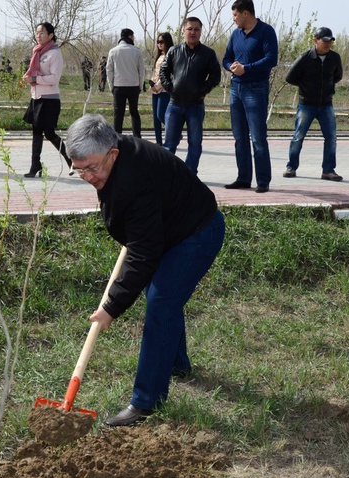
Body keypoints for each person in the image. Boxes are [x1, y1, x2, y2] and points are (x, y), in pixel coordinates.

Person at [64, 114, 225, 427]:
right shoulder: (108, 159)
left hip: (197, 232)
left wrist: (111, 307)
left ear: (113, 154)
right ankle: (175, 364)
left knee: (162, 301)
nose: (87, 176)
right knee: (163, 296)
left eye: (92, 168)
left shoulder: (134, 179)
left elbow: (144, 252)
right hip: (169, 228)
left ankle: (146, 401)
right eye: (78, 169)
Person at [221, 0, 278, 193]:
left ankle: (263, 181)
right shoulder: (236, 34)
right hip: (236, 89)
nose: (234, 19)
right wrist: (232, 67)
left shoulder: (266, 31)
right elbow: (226, 58)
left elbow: (272, 58)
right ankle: (243, 178)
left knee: (258, 138)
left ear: (246, 13)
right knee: (239, 137)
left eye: (235, 15)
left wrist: (247, 69)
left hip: (256, 88)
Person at [159, 16, 221, 173]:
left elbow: (215, 76)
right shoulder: (174, 51)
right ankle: (166, 174)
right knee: (169, 144)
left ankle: (189, 173)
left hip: (195, 105)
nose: (193, 32)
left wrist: (203, 90)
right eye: (190, 29)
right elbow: (163, 70)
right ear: (183, 31)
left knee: (195, 142)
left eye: (196, 29)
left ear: (200, 32)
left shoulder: (208, 54)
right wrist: (169, 87)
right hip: (174, 104)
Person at [283, 26, 344, 181]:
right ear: (315, 40)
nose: (327, 43)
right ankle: (291, 167)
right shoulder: (305, 57)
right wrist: (306, 87)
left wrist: (328, 88)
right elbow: (290, 77)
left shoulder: (334, 58)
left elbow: (337, 76)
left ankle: (328, 171)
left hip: (326, 105)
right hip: (307, 104)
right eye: (324, 40)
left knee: (331, 138)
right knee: (298, 136)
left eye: (330, 40)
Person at [21, 21, 73, 178]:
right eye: (37, 33)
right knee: (36, 132)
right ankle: (35, 165)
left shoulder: (54, 53)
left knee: (49, 133)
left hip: (49, 99)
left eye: (42, 33)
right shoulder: (37, 51)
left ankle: (70, 160)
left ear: (50, 35)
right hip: (36, 97)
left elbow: (54, 78)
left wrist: (35, 78)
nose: (38, 36)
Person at [106, 28, 145, 137]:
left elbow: (109, 70)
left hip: (118, 86)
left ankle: (117, 138)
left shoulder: (113, 51)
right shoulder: (137, 51)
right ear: (130, 36)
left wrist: (111, 87)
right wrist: (140, 86)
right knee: (134, 113)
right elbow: (141, 71)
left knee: (118, 114)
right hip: (134, 86)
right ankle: (137, 137)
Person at [149, 32, 173, 146]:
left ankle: (174, 131)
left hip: (164, 90)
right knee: (155, 118)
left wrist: (157, 86)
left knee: (160, 114)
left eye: (161, 42)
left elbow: (167, 75)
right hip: (155, 90)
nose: (159, 44)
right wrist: (152, 85)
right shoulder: (159, 56)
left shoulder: (170, 56)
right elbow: (156, 73)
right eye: (158, 42)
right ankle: (158, 141)